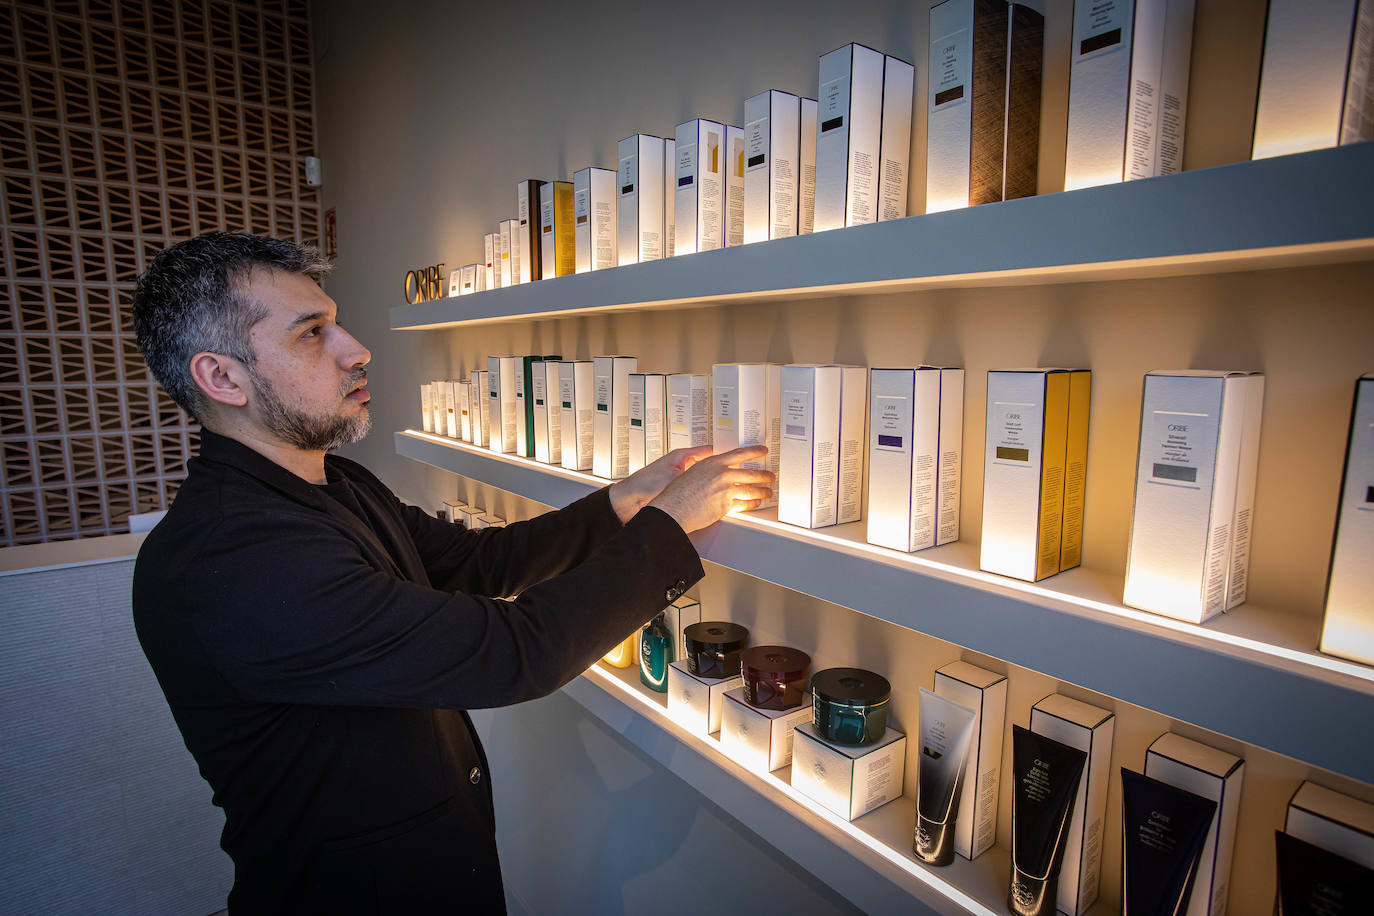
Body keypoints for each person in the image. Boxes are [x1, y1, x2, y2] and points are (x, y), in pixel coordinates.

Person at [130, 232, 773, 914]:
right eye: (313, 334)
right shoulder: (234, 560)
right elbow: (512, 652)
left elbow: (477, 563)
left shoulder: (336, 483)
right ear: (222, 378)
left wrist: (623, 503)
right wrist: (667, 529)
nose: (356, 348)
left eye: (336, 321)